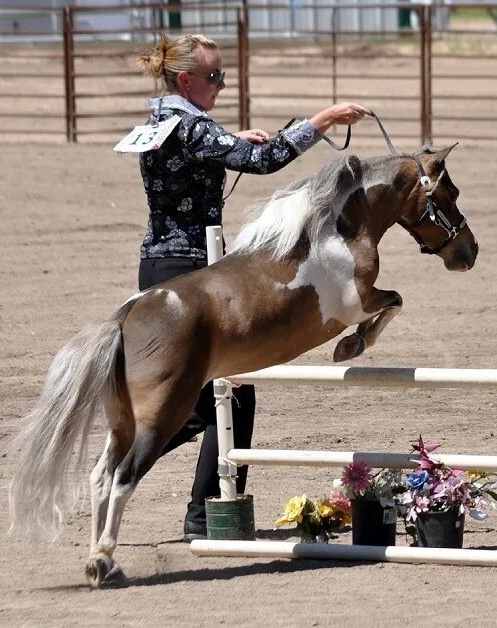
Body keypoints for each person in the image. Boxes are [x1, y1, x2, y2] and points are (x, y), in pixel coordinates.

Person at [135, 34, 370, 541]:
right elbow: (264, 162)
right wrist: (321, 121)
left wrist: (228, 142)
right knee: (228, 398)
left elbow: (189, 153)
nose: (221, 85)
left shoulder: (161, 119)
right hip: (197, 273)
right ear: (185, 80)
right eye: (214, 77)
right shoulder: (193, 127)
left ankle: (153, 481)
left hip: (156, 267)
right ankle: (191, 504)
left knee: (202, 403)